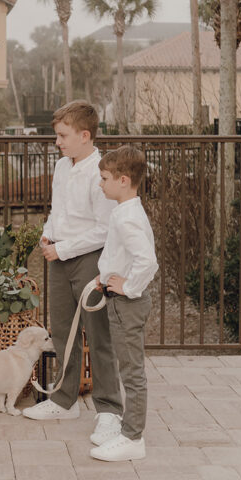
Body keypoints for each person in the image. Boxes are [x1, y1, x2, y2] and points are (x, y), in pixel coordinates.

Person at [23, 101, 123, 447]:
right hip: (60, 254)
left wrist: (63, 249)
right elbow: (57, 210)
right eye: (56, 135)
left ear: (85, 135)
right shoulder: (63, 167)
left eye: (63, 136)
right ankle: (64, 401)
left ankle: (109, 411)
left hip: (90, 259)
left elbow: (104, 229)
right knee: (63, 330)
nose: (57, 142)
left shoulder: (101, 172)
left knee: (98, 335)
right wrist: (48, 233)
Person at [90, 146, 158, 462]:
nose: (100, 184)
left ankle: (133, 438)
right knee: (128, 367)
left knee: (132, 372)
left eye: (104, 178)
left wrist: (128, 287)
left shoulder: (127, 217)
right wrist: (104, 278)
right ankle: (129, 433)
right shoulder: (125, 211)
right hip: (118, 297)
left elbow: (147, 261)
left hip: (126, 303)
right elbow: (122, 256)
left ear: (123, 180)